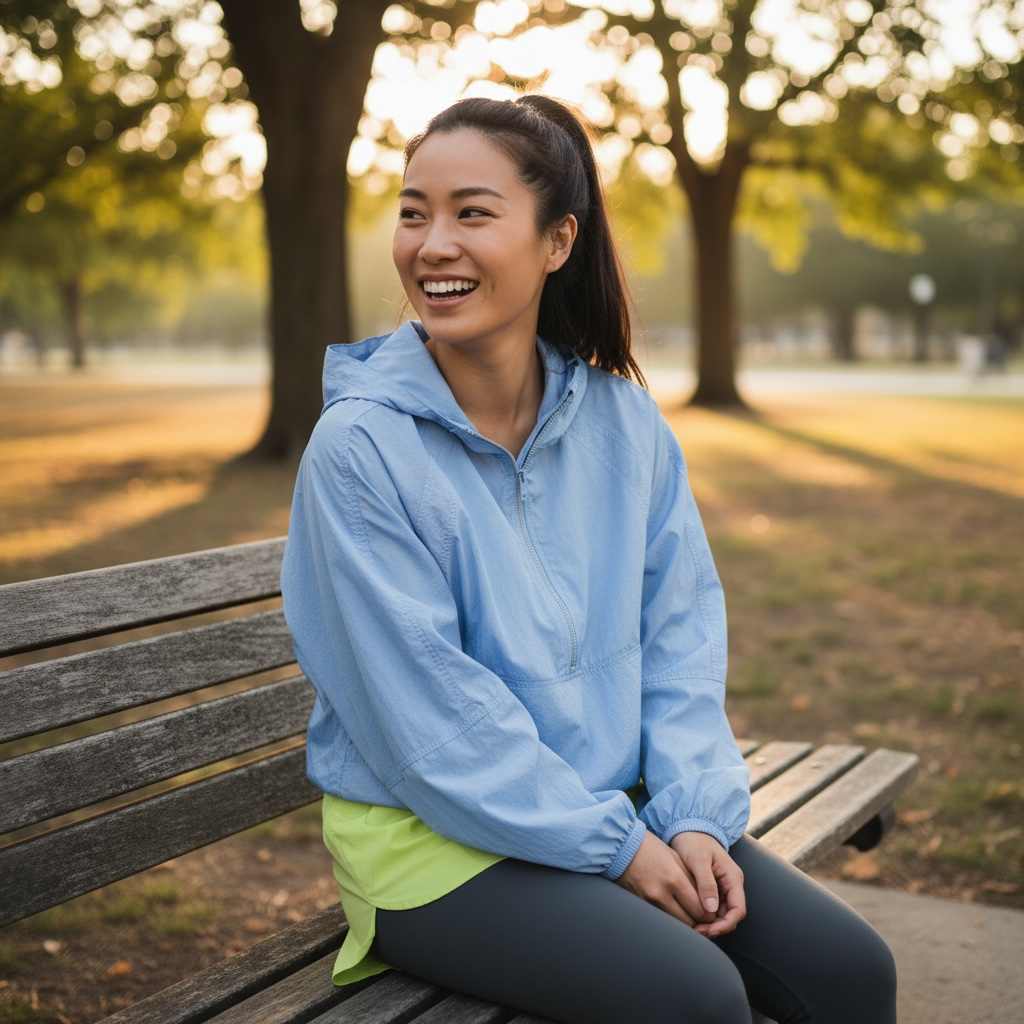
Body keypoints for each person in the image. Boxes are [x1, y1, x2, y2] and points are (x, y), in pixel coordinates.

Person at [281, 94, 897, 1024]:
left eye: (472, 213)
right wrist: (617, 849)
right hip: (434, 843)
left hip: (620, 803)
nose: (431, 244)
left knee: (852, 971)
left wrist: (688, 816)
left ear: (557, 242)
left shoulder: (623, 422)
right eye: (414, 212)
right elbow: (433, 727)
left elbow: (680, 640)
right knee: (692, 998)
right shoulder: (360, 450)